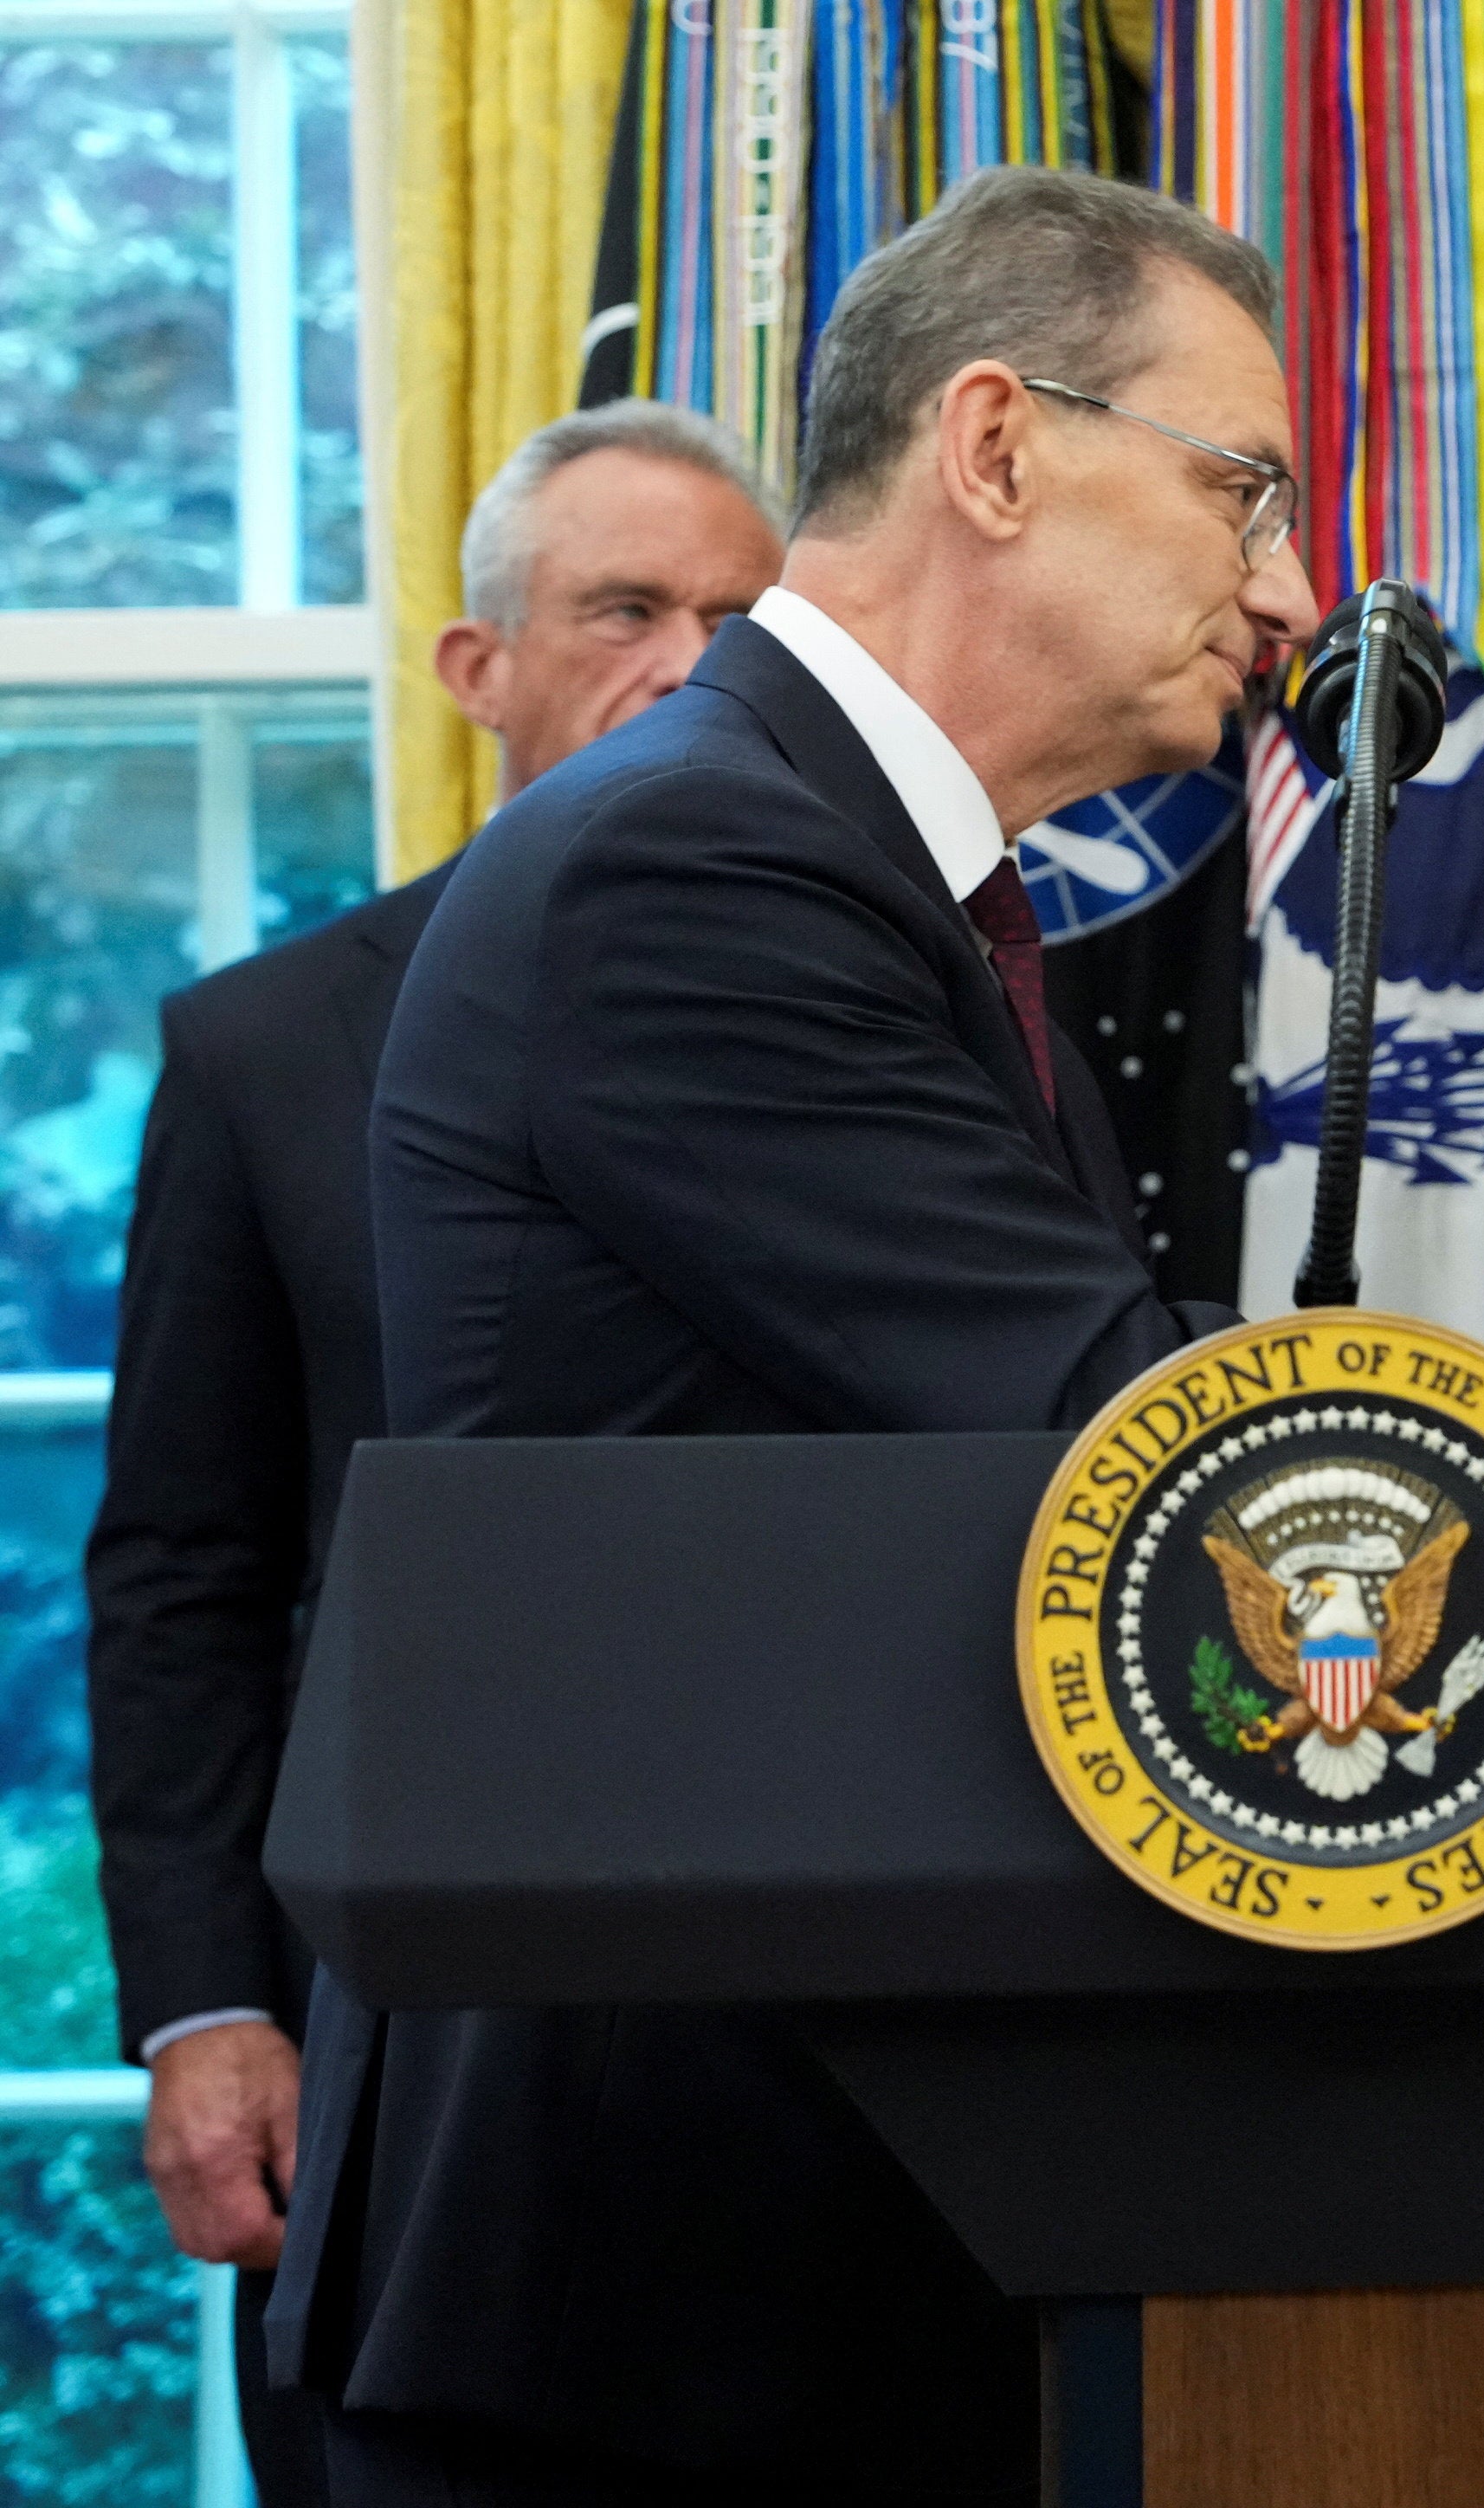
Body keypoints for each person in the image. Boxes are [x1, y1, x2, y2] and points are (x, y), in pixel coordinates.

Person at [272, 165, 1319, 2503]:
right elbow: (1106, 1429)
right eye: (1242, 485)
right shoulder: (703, 864)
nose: (1288, 589)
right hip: (645, 2273)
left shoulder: (848, 859)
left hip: (817, 2229)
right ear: (996, 444)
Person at [84, 398, 782, 2508]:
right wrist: (204, 2009)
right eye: (624, 608)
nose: (687, 658)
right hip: (390, 2056)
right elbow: (185, 1570)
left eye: (738, 620)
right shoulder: (265, 1044)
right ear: (481, 672)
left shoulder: (893, 1014)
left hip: (804, 2049)